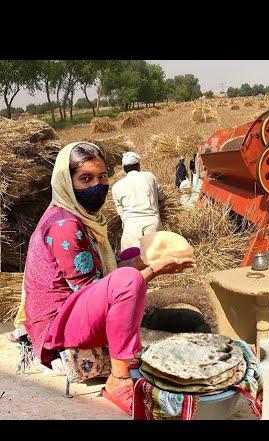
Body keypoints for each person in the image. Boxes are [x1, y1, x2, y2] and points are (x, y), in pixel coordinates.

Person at [17, 142, 195, 415]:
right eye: (85, 179)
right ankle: (119, 380)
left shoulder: (82, 218)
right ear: (67, 182)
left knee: (134, 257)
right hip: (57, 325)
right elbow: (94, 289)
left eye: (101, 177)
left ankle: (123, 358)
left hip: (75, 309)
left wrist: (144, 261)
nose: (96, 186)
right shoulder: (65, 226)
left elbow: (100, 276)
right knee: (128, 281)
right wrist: (152, 271)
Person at [112, 151, 165, 251]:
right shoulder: (150, 177)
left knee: (132, 260)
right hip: (152, 223)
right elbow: (161, 196)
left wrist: (126, 221)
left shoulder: (116, 187)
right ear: (138, 166)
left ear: (124, 169)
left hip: (131, 228)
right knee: (155, 258)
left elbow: (120, 210)